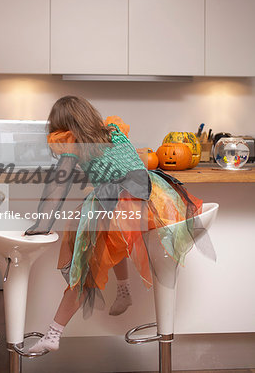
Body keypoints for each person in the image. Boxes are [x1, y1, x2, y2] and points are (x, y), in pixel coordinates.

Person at [25, 95, 205, 354]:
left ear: (64, 130)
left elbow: (57, 188)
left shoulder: (73, 144)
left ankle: (53, 333)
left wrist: (42, 224)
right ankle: (123, 289)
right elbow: (134, 162)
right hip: (155, 200)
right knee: (112, 237)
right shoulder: (114, 130)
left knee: (84, 263)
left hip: (122, 206)